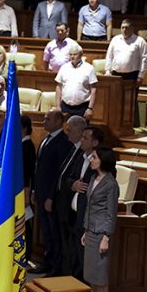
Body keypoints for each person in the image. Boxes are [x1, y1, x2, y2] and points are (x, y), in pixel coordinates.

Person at [30, 109, 72, 275]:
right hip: (40, 192)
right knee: (46, 232)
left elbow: (59, 174)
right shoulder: (45, 139)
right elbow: (39, 168)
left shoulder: (63, 142)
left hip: (51, 197)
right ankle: (47, 262)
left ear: (57, 122)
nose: (44, 122)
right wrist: (34, 190)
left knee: (55, 233)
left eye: (47, 119)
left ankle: (56, 267)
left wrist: (50, 197)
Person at [52, 116, 91, 276]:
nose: (66, 132)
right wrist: (72, 184)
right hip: (64, 204)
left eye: (70, 130)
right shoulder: (74, 149)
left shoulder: (88, 155)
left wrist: (74, 184)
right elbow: (67, 177)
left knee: (75, 248)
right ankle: (64, 274)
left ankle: (73, 278)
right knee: (65, 244)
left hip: (78, 209)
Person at [81, 146, 120, 292]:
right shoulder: (93, 178)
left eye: (94, 157)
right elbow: (89, 206)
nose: (91, 160)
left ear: (103, 161)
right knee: (91, 274)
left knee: (101, 276)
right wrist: (85, 230)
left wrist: (106, 237)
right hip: (90, 231)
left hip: (101, 234)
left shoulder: (111, 184)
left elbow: (111, 213)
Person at [55, 46, 97, 120]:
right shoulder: (64, 68)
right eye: (70, 54)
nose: (72, 57)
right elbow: (59, 87)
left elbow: (93, 89)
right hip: (65, 107)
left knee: (81, 130)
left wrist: (90, 108)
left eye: (75, 54)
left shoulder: (89, 68)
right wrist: (58, 106)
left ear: (81, 54)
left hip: (82, 107)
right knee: (65, 130)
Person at [21, 115, 37, 262]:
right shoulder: (20, 144)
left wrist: (27, 194)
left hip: (23, 191)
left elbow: (28, 173)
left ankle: (26, 255)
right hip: (17, 190)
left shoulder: (27, 146)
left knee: (25, 224)